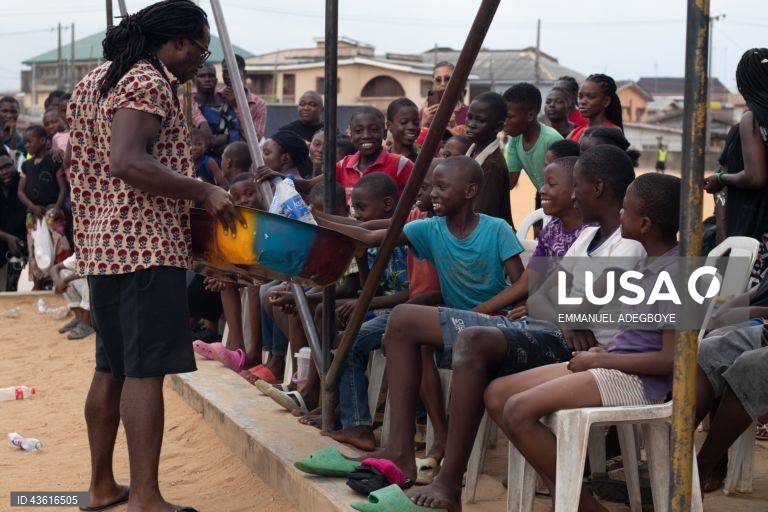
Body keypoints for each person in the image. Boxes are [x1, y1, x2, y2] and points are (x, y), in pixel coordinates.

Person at [68, 2, 242, 511]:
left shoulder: (98, 78)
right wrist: (201, 192)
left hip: (103, 246)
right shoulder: (147, 81)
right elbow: (127, 161)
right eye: (200, 50)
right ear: (179, 43)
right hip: (144, 247)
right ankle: (146, 498)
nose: (198, 63)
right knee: (144, 373)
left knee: (113, 368)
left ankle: (102, 487)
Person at [309, 156, 528, 481]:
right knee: (415, 339)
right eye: (432, 187)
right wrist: (320, 220)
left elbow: (521, 284)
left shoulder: (496, 229)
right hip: (452, 323)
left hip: (496, 324)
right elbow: (369, 235)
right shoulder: (429, 228)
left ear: (469, 191)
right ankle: (436, 435)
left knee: (410, 324)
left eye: (441, 186)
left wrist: (478, 312)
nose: (433, 194)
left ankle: (434, 442)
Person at [482, 173, 681, 512]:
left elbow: (669, 361)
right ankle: (565, 492)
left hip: (641, 383)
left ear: (645, 223)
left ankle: (583, 505)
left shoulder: (676, 273)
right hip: (615, 363)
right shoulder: (649, 263)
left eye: (625, 211)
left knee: (518, 410)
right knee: (497, 394)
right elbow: (639, 331)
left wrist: (601, 361)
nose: (619, 216)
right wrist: (605, 352)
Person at [314, 162, 442, 451]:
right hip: (407, 310)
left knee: (357, 340)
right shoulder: (419, 218)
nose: (426, 193)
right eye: (424, 187)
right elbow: (365, 231)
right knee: (341, 328)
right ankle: (341, 408)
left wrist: (319, 221)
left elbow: (426, 294)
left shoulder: (428, 226)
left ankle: (373, 424)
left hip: (419, 311)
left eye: (433, 187)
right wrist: (320, 220)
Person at [704, 48, 768, 287]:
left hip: (753, 228)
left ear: (744, 85)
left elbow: (756, 176)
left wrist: (721, 179)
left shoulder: (751, 120)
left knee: (734, 302)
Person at [18, 125, 70, 290]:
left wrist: (57, 207)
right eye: (24, 142)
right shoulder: (26, 165)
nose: (26, 145)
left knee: (58, 245)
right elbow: (20, 191)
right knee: (36, 247)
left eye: (29, 141)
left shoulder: (53, 161)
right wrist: (32, 207)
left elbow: (63, 188)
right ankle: (38, 283)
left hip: (52, 212)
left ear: (42, 141)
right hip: (33, 215)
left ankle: (61, 281)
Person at [503, 83, 564, 196]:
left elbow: (565, 182)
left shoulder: (551, 140)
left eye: (509, 117)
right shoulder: (515, 139)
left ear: (530, 115)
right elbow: (510, 182)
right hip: (542, 195)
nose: (504, 122)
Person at [465, 92, 513, 225]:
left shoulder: (492, 166)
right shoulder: (471, 151)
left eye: (480, 120)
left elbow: (482, 217)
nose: (471, 124)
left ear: (498, 127)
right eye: (469, 117)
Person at [192, 63, 241, 160]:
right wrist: (222, 138)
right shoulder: (188, 107)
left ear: (216, 80)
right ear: (194, 80)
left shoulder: (226, 109)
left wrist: (211, 144)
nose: (207, 79)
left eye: (211, 75)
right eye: (202, 76)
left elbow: (233, 141)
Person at [220, 53, 267, 142]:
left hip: (242, 153)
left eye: (234, 72)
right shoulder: (216, 95)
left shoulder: (258, 104)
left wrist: (236, 106)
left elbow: (255, 138)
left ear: (244, 73)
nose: (229, 76)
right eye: (226, 72)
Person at [568, 74, 624, 142]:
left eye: (591, 97)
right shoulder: (575, 132)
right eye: (580, 97)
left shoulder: (612, 132)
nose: (582, 102)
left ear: (606, 101)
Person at [0, 151, 27, 291]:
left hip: (23, 245)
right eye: (0, 169)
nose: (5, 172)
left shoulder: (22, 184)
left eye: (7, 166)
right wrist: (7, 237)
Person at [51, 252, 95, 340]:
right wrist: (58, 282)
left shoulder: (98, 247)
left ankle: (88, 323)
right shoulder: (83, 249)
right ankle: (79, 318)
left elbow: (91, 270)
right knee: (62, 273)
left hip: (107, 291)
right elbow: (55, 268)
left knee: (90, 278)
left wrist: (65, 281)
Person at [420, 61, 469, 131]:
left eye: (447, 79)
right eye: (438, 80)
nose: (442, 83)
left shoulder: (469, 113)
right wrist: (424, 123)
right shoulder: (425, 113)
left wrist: (453, 124)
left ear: (457, 81)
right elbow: (416, 141)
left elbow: (467, 141)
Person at [386, 97, 420, 162]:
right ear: (389, 125)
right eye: (404, 122)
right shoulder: (380, 160)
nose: (411, 127)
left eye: (416, 123)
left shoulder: (425, 160)